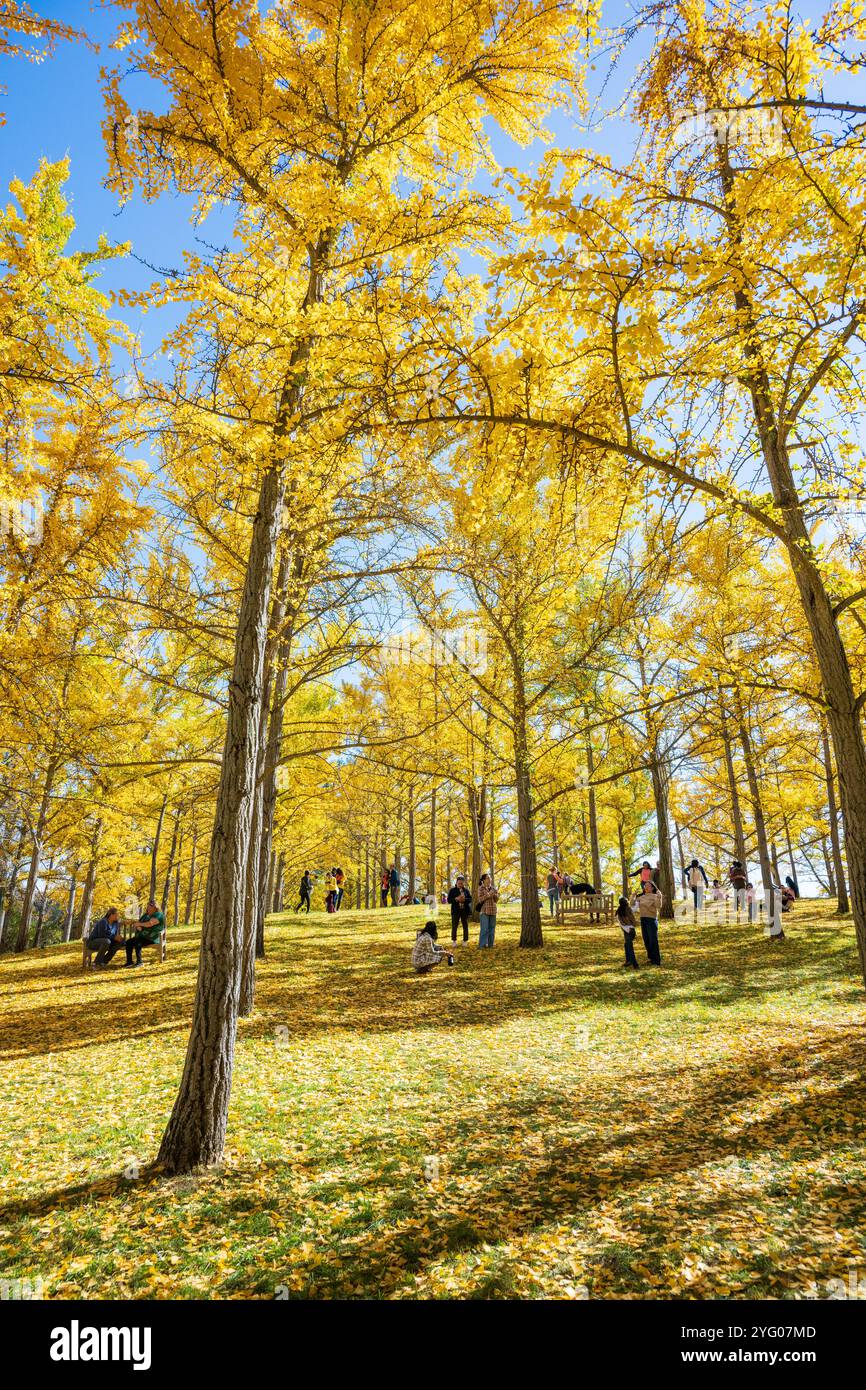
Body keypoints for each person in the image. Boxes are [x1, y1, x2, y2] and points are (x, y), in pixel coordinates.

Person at [122, 899, 165, 968]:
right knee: (129, 942)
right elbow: (139, 923)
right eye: (148, 906)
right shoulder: (146, 915)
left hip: (152, 937)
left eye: (150, 906)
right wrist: (138, 926)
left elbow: (150, 924)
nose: (148, 907)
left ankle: (139, 962)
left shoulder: (158, 914)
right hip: (142, 936)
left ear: (155, 907)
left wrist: (140, 924)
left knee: (137, 942)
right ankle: (129, 962)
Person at [632, 880, 663, 965]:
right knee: (646, 940)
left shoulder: (655, 896)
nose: (646, 887)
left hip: (651, 920)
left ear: (652, 887)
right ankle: (650, 958)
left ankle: (656, 960)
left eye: (648, 886)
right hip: (643, 919)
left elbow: (658, 906)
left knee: (653, 940)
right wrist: (633, 896)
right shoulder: (641, 897)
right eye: (645, 886)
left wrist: (659, 897)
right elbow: (632, 905)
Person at [616, 896, 639, 969]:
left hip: (628, 931)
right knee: (627, 945)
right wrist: (637, 902)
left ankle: (635, 964)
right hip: (632, 931)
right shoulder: (628, 909)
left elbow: (621, 923)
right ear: (626, 903)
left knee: (629, 947)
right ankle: (628, 961)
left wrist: (627, 929)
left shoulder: (619, 911)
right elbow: (635, 908)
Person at [476, 872, 499, 948]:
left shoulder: (493, 888)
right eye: (487, 878)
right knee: (484, 929)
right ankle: (481, 945)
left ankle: (490, 944)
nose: (489, 879)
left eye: (490, 878)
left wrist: (495, 895)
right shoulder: (481, 888)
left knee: (492, 929)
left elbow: (496, 900)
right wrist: (489, 894)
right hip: (484, 911)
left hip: (493, 910)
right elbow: (480, 899)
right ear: (483, 880)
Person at [448, 875, 472, 943]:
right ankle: (454, 941)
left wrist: (465, 899)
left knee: (465, 926)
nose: (460, 885)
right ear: (456, 883)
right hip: (455, 911)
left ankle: (465, 940)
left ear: (464, 883)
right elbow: (449, 900)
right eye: (459, 883)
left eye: (462, 883)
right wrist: (456, 899)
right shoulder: (452, 890)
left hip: (465, 911)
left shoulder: (466, 890)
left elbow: (470, 899)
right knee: (454, 926)